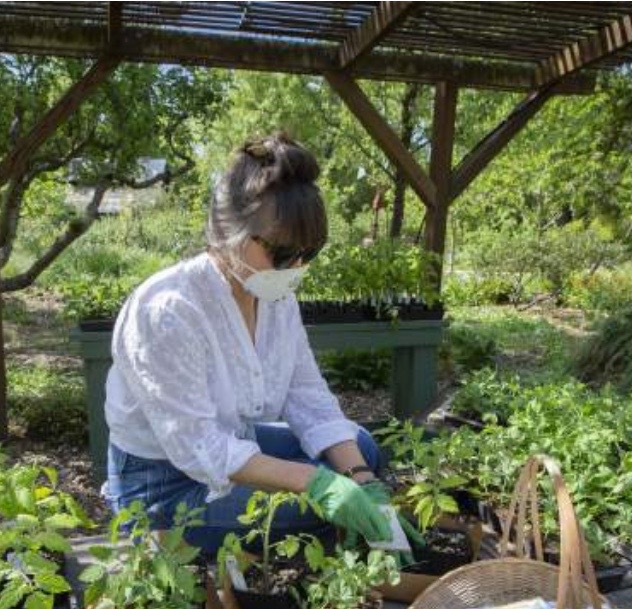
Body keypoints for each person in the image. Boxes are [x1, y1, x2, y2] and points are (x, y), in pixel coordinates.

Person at [102, 132, 411, 556]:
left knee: (363, 449)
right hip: (164, 487)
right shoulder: (168, 311)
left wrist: (361, 479)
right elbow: (201, 447)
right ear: (228, 232)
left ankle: (355, 527)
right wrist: (316, 484)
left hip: (232, 444)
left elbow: (308, 397)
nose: (296, 267)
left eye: (308, 253)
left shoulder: (274, 296)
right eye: (282, 253)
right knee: (313, 510)